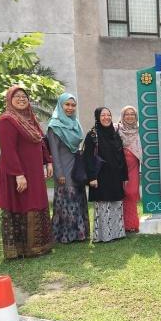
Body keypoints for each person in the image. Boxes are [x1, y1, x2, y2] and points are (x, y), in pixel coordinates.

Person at [0, 85, 53, 259]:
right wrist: (19, 174)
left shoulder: (30, 119)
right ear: (10, 99)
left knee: (36, 202)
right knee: (22, 205)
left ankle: (39, 246)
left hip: (34, 172)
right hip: (17, 172)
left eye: (24, 96)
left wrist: (48, 161)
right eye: (17, 96)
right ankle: (21, 249)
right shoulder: (7, 120)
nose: (21, 99)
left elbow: (41, 141)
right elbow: (8, 150)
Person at [47, 93, 90, 243]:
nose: (70, 108)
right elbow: (54, 152)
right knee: (66, 201)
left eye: (73, 105)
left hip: (76, 169)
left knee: (78, 199)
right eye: (67, 104)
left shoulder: (75, 123)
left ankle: (80, 233)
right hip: (63, 170)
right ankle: (65, 235)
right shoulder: (54, 126)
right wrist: (59, 172)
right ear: (60, 105)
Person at [84, 107, 128, 242]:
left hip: (115, 175)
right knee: (103, 205)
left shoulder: (114, 134)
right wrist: (91, 177)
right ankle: (104, 236)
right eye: (103, 115)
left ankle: (117, 233)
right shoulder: (92, 135)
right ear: (97, 117)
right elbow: (88, 158)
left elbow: (121, 155)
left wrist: (124, 175)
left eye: (108, 115)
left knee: (116, 203)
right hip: (100, 176)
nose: (106, 117)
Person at [118, 105, 142, 233]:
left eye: (132, 114)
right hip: (119, 168)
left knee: (131, 193)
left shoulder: (140, 130)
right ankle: (122, 224)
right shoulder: (117, 129)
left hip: (133, 167)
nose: (130, 116)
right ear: (122, 116)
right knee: (122, 194)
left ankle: (132, 224)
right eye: (127, 114)